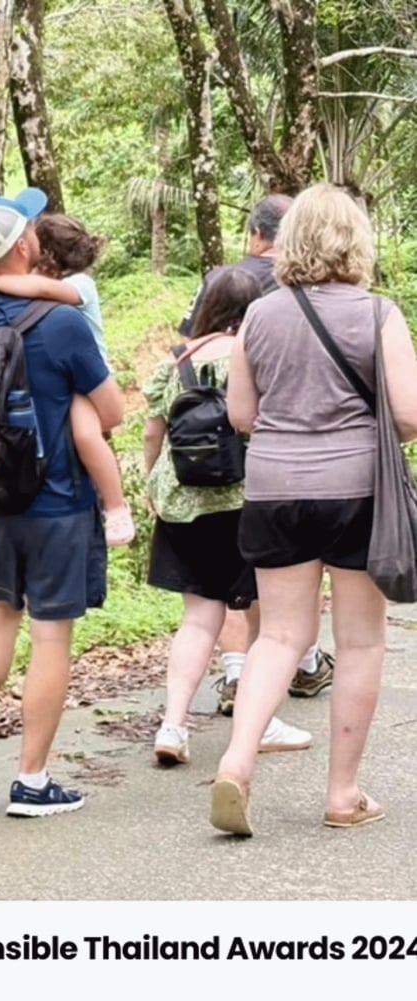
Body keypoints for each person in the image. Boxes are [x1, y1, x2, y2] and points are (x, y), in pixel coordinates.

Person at [209, 183, 417, 836]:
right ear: (355, 241)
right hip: (358, 490)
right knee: (358, 639)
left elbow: (241, 414)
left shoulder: (259, 318)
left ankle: (238, 762)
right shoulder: (378, 313)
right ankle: (343, 793)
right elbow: (408, 415)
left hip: (274, 487)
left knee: (278, 634)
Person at [0, 187, 124, 818]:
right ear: (23, 247)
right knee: (50, 635)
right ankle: (33, 781)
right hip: (58, 500)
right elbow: (114, 411)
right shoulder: (63, 322)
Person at [142, 267, 311, 765]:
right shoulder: (256, 357)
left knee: (198, 619)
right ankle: (260, 720)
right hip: (247, 502)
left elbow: (154, 435)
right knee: (265, 617)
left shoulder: (175, 363)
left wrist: (152, 486)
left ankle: (173, 725)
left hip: (183, 506)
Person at [179, 194, 337, 715]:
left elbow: (189, 353)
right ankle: (305, 661)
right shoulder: (320, 290)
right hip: (301, 455)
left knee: (227, 578)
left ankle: (237, 672)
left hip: (225, 454)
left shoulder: (223, 280)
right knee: (296, 570)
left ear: (255, 233)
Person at [0, 213, 134, 546]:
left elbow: (42, 288)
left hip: (87, 382)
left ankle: (117, 507)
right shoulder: (55, 287)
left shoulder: (78, 285)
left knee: (87, 435)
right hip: (64, 377)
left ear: (44, 255)